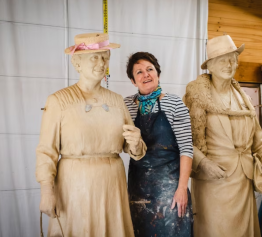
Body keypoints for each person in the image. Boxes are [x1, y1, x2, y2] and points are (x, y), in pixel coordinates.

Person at [35, 33, 146, 237]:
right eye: (94, 57)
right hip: (74, 185)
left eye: (105, 57)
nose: (101, 63)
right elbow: (46, 151)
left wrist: (137, 144)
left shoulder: (116, 101)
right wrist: (46, 191)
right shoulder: (59, 101)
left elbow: (132, 148)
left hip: (112, 184)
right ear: (77, 63)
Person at [184, 35, 262, 237]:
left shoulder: (242, 98)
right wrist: (204, 163)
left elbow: (258, 141)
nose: (230, 64)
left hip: (243, 182)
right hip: (213, 183)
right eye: (223, 59)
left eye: (233, 58)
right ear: (211, 65)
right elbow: (184, 141)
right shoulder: (198, 95)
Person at [124, 52, 193, 237]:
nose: (145, 74)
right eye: (139, 72)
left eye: (150, 69)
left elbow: (187, 149)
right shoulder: (127, 106)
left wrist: (182, 188)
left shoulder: (173, 103)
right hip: (138, 188)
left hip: (170, 189)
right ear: (132, 80)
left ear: (158, 74)